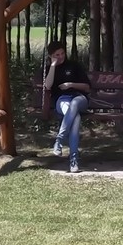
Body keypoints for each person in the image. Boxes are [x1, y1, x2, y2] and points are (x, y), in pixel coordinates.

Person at [43, 40, 90, 173]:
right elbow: (48, 86)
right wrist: (53, 65)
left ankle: (59, 140)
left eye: (62, 53)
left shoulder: (74, 66)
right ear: (51, 56)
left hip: (79, 98)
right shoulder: (49, 68)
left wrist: (71, 85)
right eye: (57, 55)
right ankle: (74, 160)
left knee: (74, 104)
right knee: (75, 118)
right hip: (62, 100)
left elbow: (87, 87)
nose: (61, 57)